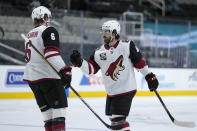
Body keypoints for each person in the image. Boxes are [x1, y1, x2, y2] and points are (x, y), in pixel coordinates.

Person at [70, 20, 159, 131]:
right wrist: (80, 62)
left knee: (118, 121)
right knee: (114, 121)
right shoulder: (98, 52)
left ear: (114, 32)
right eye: (103, 31)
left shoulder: (127, 46)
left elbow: (139, 62)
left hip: (126, 89)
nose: (103, 34)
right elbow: (91, 69)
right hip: (112, 93)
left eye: (106, 31)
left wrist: (149, 76)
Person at [23, 6, 71, 131]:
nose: (49, 19)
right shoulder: (49, 30)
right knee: (59, 112)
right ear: (45, 17)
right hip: (48, 78)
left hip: (33, 80)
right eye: (48, 17)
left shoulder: (29, 34)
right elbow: (51, 55)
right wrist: (65, 70)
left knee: (48, 116)